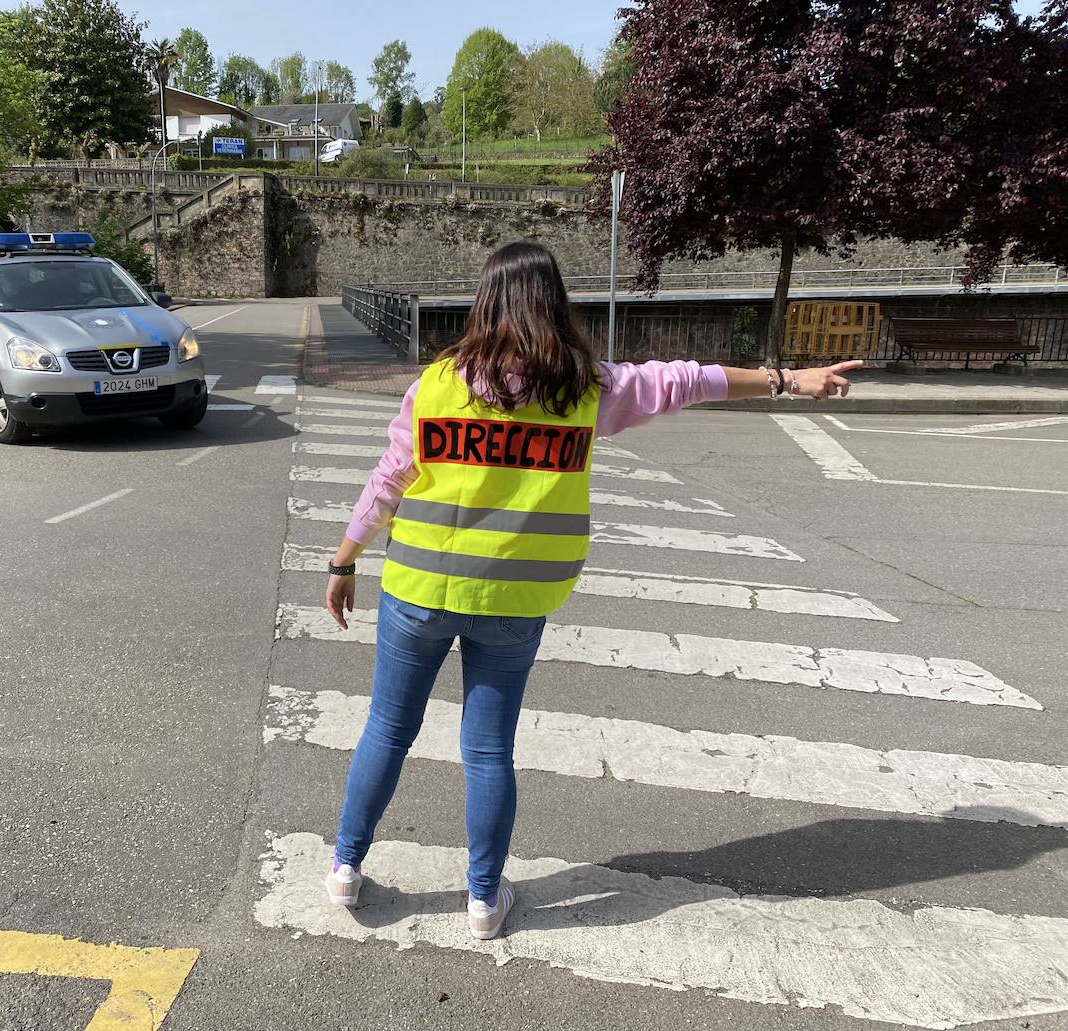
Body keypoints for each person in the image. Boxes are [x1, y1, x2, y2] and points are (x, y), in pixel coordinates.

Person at [321, 240, 861, 940]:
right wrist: (787, 379)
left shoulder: (436, 385)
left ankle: (345, 868)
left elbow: (387, 480)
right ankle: (485, 901)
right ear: (554, 303)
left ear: (485, 301)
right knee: (487, 750)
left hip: (418, 590)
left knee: (388, 730)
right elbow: (684, 379)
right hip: (514, 603)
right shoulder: (583, 389)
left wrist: (344, 559)